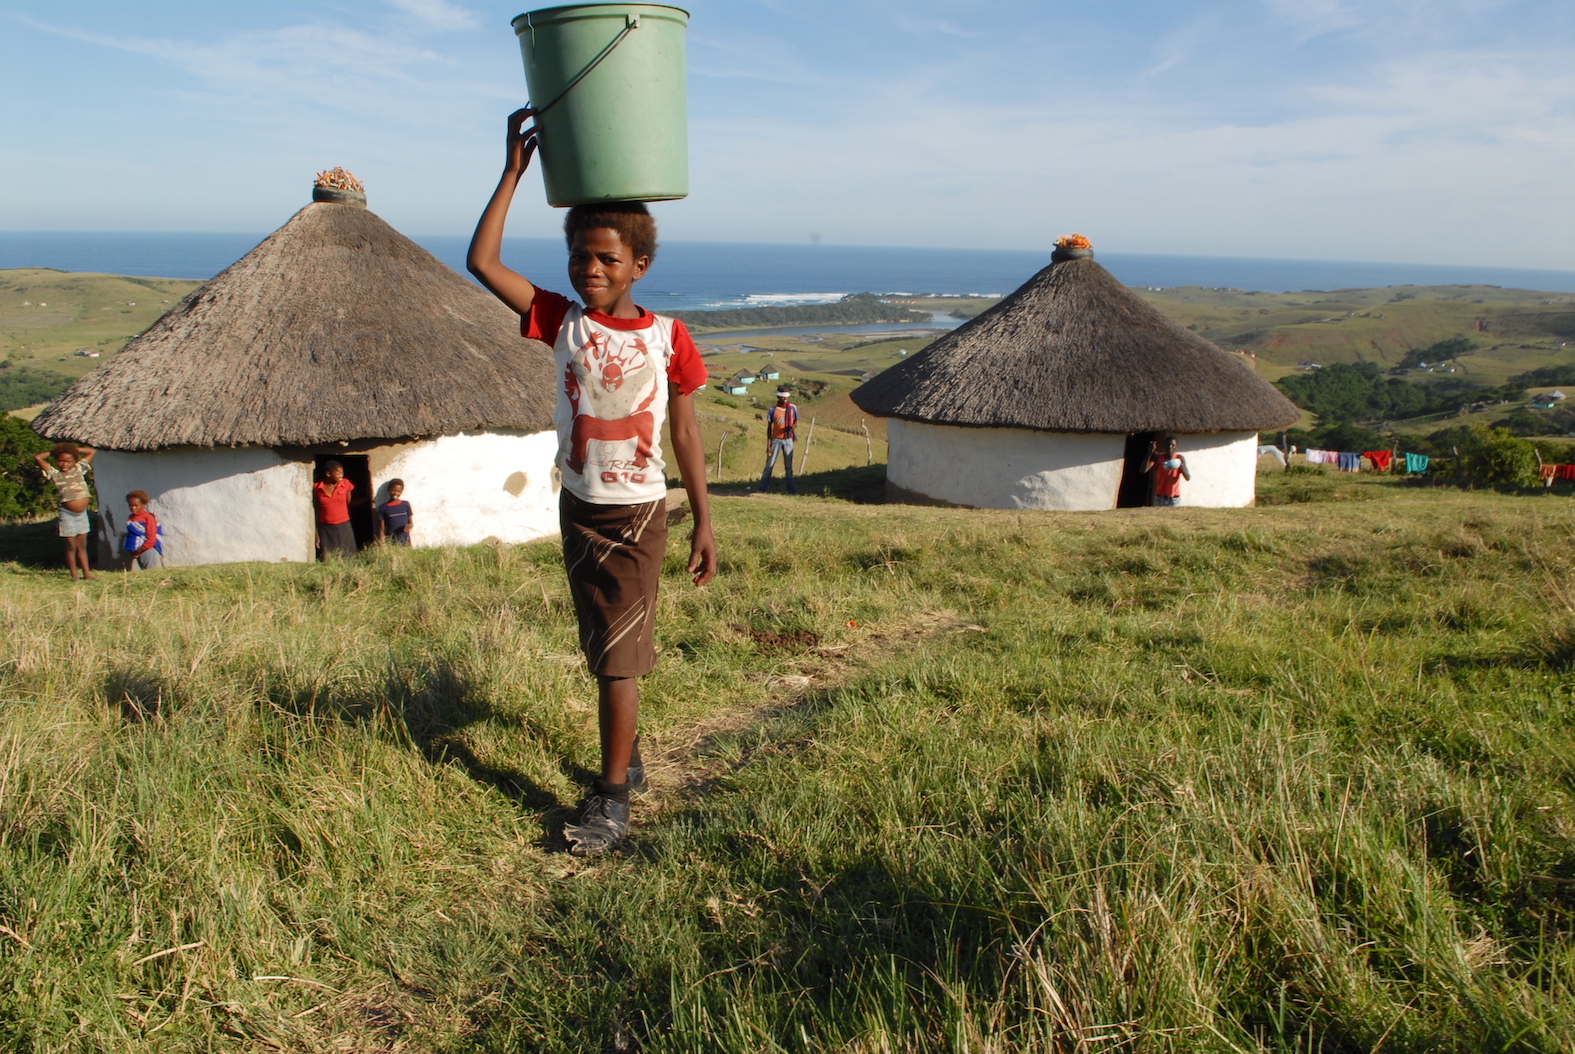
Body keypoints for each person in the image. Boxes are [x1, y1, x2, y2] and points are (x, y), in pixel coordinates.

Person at [468, 107, 716, 855]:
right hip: (578, 506)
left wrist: (703, 518)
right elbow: (483, 264)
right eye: (581, 256)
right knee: (600, 646)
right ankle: (625, 759)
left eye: (607, 259)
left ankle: (611, 800)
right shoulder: (560, 319)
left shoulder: (669, 337)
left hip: (638, 513)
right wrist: (512, 174)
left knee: (618, 657)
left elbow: (685, 431)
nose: (591, 269)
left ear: (638, 265)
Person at [34, 443, 95, 580]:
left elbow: (91, 451)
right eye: (61, 460)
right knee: (71, 546)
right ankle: (74, 575)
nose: (64, 464)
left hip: (82, 514)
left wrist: (73, 450)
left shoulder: (79, 469)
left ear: (74, 461)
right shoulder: (55, 474)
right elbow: (38, 457)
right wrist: (54, 451)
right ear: (56, 461)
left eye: (69, 461)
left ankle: (87, 574)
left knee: (82, 546)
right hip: (68, 515)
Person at [757, 388, 799, 494]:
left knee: (788, 467)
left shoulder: (793, 408)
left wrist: (792, 428)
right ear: (778, 397)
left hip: (788, 440)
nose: (784, 398)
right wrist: (768, 445)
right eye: (782, 396)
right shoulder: (773, 410)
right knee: (769, 465)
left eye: (786, 396)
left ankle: (791, 490)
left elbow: (796, 422)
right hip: (775, 440)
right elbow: (769, 428)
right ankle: (762, 489)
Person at [313, 461, 357, 559]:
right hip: (325, 527)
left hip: (343, 525)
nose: (341, 475)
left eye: (342, 473)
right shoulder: (317, 488)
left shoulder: (345, 484)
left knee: (348, 554)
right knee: (329, 555)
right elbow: (316, 509)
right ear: (328, 474)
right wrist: (317, 534)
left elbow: (348, 502)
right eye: (338, 473)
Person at [1141, 436, 1190, 507]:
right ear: (1164, 446)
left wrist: (1182, 468)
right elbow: (1143, 470)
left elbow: (1188, 477)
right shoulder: (1158, 457)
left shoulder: (1179, 458)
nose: (1170, 447)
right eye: (1167, 445)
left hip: (1174, 499)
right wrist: (1149, 453)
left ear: (1176, 447)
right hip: (1160, 498)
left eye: (1172, 445)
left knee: (1173, 518)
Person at [123, 490, 163, 570]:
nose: (133, 508)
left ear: (143, 504)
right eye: (130, 505)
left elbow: (151, 539)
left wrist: (138, 551)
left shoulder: (148, 518)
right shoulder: (131, 518)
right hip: (135, 551)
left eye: (136, 505)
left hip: (148, 550)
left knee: (153, 574)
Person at [375, 479, 413, 546]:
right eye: (393, 490)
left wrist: (409, 525)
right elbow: (382, 528)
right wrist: (382, 543)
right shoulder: (383, 507)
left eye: (398, 491)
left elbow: (411, 523)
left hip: (405, 541)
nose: (395, 493)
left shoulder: (405, 504)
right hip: (392, 542)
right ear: (388, 490)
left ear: (401, 492)